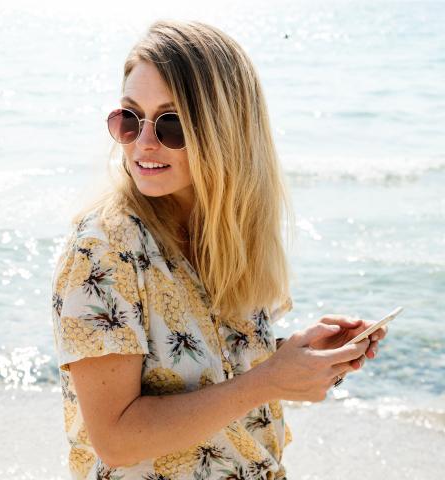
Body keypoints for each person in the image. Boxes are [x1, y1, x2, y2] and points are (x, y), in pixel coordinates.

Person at [50, 19, 388, 480]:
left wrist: (299, 360)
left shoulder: (226, 236)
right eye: (129, 118)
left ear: (225, 129)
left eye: (172, 124)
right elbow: (116, 439)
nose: (144, 143)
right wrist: (268, 381)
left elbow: (213, 372)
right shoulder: (102, 250)